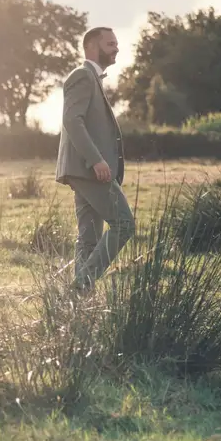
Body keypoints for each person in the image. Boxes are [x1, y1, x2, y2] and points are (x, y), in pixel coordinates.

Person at [55, 27, 134, 293]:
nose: (116, 48)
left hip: (85, 171)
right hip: (90, 170)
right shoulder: (82, 76)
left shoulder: (92, 78)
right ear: (91, 46)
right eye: (110, 44)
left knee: (88, 239)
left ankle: (78, 300)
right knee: (124, 224)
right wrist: (97, 160)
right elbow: (72, 120)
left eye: (116, 43)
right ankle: (82, 284)